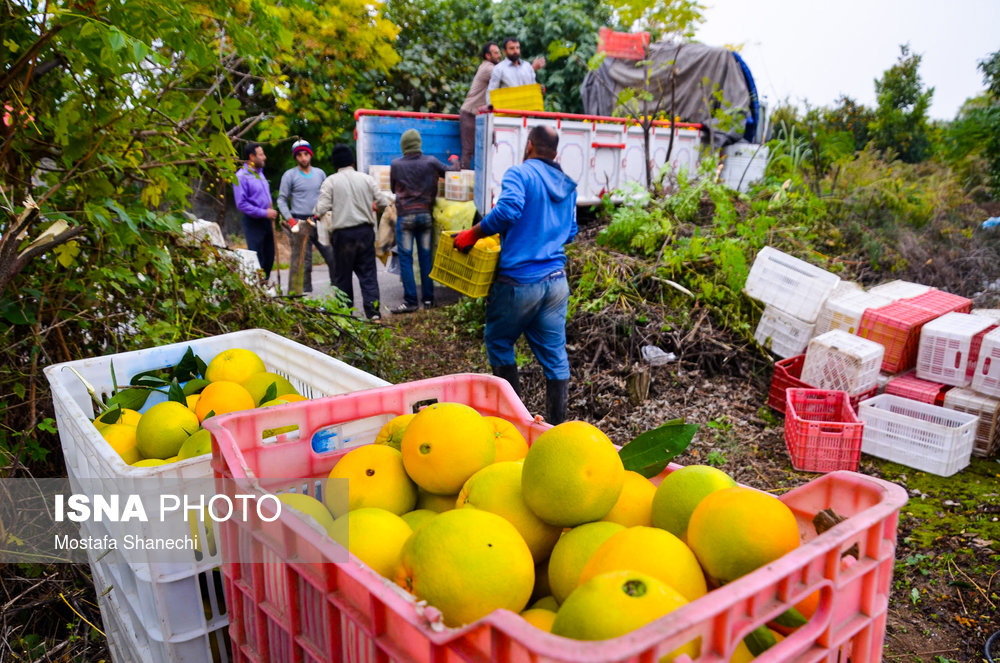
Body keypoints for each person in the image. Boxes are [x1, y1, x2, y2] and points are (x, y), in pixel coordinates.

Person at [452, 126, 577, 424]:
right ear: (555, 152)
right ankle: (556, 429)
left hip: (520, 283)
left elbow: (508, 211)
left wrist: (473, 233)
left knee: (498, 342)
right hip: (557, 282)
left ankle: (514, 422)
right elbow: (571, 232)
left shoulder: (520, 174)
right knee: (556, 360)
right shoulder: (568, 185)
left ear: (530, 145)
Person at [314, 144, 393, 321]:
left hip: (343, 236)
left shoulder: (331, 181)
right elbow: (382, 201)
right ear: (352, 161)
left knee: (343, 276)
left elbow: (321, 209)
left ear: (336, 164)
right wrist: (371, 207)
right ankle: (373, 315)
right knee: (368, 274)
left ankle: (346, 315)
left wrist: (318, 214)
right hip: (365, 232)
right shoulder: (366, 179)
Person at [389, 129, 451, 313]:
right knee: (425, 258)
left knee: (406, 259)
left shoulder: (396, 164)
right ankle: (428, 300)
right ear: (418, 144)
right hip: (425, 216)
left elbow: (393, 189)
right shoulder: (431, 162)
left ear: (403, 146)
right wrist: (455, 160)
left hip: (405, 217)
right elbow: (450, 172)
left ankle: (410, 301)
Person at [276, 139, 333, 293]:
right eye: (299, 155)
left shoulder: (320, 173)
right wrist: (290, 219)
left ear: (310, 154)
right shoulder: (290, 175)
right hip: (299, 221)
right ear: (296, 157)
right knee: (303, 262)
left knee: (332, 256)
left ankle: (339, 291)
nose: (303, 158)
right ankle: (304, 296)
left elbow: (327, 195)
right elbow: (281, 199)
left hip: (319, 220)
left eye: (306, 154)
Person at [233, 142, 278, 280]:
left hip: (267, 222)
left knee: (270, 256)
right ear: (251, 157)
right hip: (253, 222)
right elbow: (241, 204)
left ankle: (265, 286)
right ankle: (258, 289)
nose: (264, 157)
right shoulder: (241, 176)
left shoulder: (260, 174)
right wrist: (265, 212)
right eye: (261, 154)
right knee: (257, 257)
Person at [459, 42, 502, 169]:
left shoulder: (494, 68)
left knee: (488, 148)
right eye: (496, 53)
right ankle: (464, 182)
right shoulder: (488, 68)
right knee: (468, 150)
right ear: (487, 56)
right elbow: (506, 77)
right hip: (470, 113)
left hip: (483, 115)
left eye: (499, 52)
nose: (500, 55)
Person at [486, 37, 545, 105]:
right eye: (512, 48)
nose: (515, 51)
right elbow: (491, 92)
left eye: (517, 48)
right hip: (508, 112)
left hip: (528, 110)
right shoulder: (499, 69)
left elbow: (533, 88)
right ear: (504, 51)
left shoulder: (527, 66)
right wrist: (491, 109)